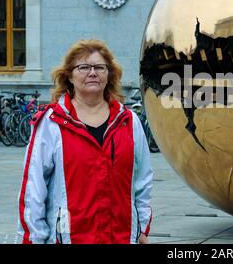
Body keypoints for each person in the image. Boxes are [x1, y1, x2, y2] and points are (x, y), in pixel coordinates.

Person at [17, 39, 153, 244]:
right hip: (72, 238)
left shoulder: (129, 122)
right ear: (69, 76)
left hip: (120, 237)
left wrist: (141, 228)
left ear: (109, 75)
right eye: (83, 67)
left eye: (100, 67)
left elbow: (143, 180)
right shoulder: (51, 123)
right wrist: (34, 239)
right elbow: (33, 190)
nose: (92, 72)